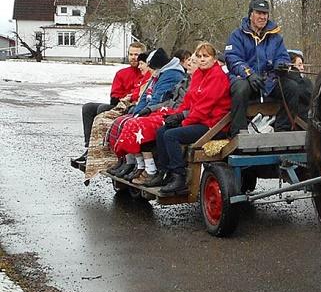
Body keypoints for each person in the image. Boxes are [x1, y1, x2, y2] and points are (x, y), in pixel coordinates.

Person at [155, 42, 232, 194]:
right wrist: (176, 116)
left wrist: (183, 122)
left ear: (214, 59)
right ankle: (164, 172)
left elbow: (204, 108)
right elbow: (188, 101)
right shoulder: (198, 75)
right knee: (161, 131)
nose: (202, 59)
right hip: (198, 120)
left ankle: (180, 177)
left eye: (206, 56)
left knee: (171, 136)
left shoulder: (217, 77)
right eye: (199, 56)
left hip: (213, 125)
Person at [225, 0, 305, 136]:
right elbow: (232, 58)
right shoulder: (237, 35)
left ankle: (282, 129)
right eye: (259, 13)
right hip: (245, 79)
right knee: (240, 88)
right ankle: (238, 132)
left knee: (292, 88)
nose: (262, 17)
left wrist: (281, 65)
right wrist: (248, 73)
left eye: (265, 14)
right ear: (251, 14)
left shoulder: (276, 37)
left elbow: (283, 57)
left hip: (269, 81)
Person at [106, 48, 186, 179]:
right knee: (122, 121)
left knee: (137, 125)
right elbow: (145, 96)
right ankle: (129, 162)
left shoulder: (171, 75)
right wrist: (138, 112)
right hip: (157, 109)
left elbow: (160, 98)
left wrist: (144, 113)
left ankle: (147, 168)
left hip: (165, 111)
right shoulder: (160, 74)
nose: (150, 71)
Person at [71, 42, 148, 170]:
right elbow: (115, 95)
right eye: (131, 54)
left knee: (102, 110)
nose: (133, 57)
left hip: (132, 106)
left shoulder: (145, 72)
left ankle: (103, 149)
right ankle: (90, 148)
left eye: (137, 54)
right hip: (119, 103)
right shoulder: (122, 73)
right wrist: (123, 98)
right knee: (89, 107)